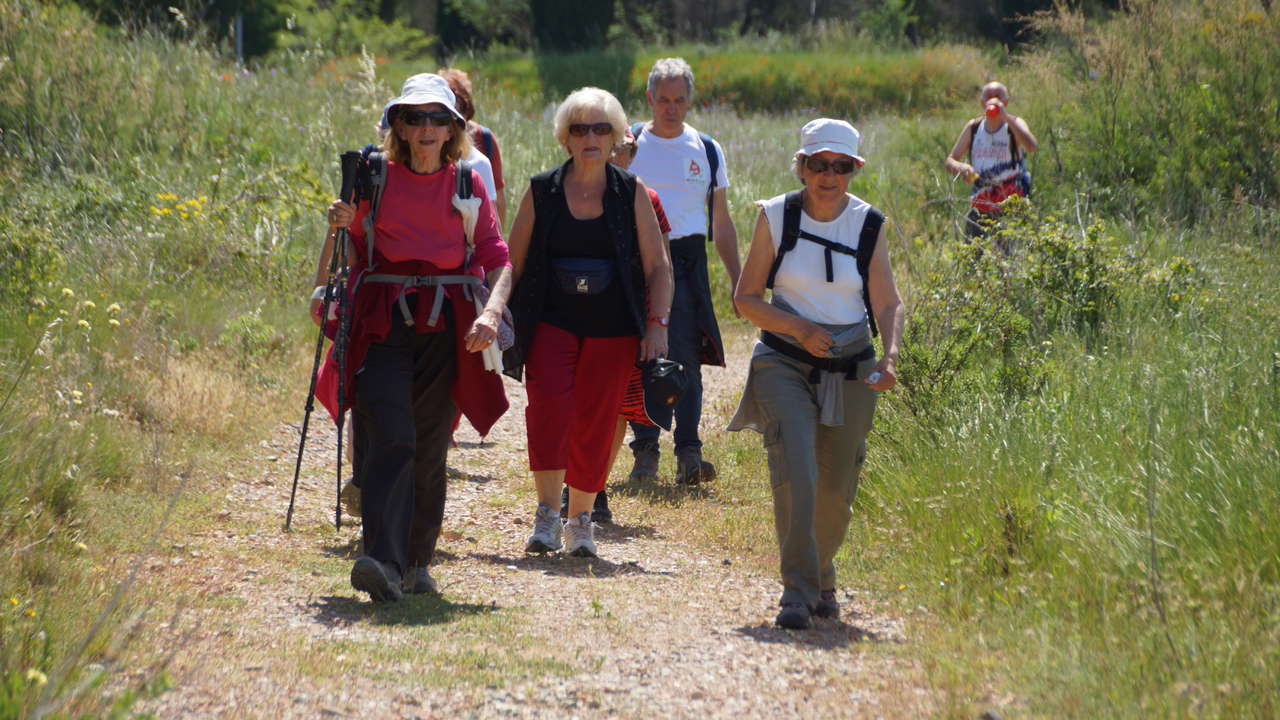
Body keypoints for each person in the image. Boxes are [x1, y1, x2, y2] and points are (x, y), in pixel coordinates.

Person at [313, 73, 512, 602]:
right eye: (415, 117)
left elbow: (498, 260)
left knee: (427, 448)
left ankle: (418, 562)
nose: (427, 127)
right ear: (398, 125)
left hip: (448, 328)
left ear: (454, 129)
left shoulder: (468, 183)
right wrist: (337, 230)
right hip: (382, 321)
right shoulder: (374, 178)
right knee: (391, 434)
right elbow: (351, 252)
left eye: (438, 118)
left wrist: (491, 314)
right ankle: (381, 558)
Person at [729, 119, 904, 630]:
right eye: (818, 164)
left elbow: (887, 301)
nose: (829, 175)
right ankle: (799, 593)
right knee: (797, 474)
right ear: (801, 166)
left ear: (855, 169)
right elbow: (745, 299)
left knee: (836, 490)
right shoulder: (776, 216)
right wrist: (799, 327)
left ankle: (823, 571)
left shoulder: (868, 224)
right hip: (783, 360)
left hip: (852, 365)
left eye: (841, 165)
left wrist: (889, 359)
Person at [504, 87, 672, 558]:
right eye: (580, 128)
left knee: (597, 422)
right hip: (551, 321)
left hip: (614, 327)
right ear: (566, 138)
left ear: (617, 135)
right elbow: (510, 263)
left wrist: (657, 326)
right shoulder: (542, 190)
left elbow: (659, 266)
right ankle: (545, 517)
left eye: (601, 128)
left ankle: (580, 523)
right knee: (549, 414)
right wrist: (495, 309)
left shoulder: (631, 192)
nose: (591, 137)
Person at [626, 57, 742, 487]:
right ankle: (645, 453)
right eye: (663, 99)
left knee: (687, 358)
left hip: (690, 261)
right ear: (649, 98)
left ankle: (689, 453)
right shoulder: (629, 143)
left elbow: (723, 222)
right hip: (639, 259)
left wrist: (738, 279)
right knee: (643, 357)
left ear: (691, 100)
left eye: (679, 100)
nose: (670, 108)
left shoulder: (708, 149)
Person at [558, 126, 673, 524]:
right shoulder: (567, 192)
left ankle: (595, 488)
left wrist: (657, 323)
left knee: (616, 408)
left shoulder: (647, 198)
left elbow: (663, 265)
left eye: (624, 149)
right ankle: (577, 485)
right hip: (574, 314)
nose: (615, 156)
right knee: (577, 402)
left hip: (628, 318)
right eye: (612, 148)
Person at [943, 81, 1039, 240]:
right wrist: (962, 167)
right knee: (974, 258)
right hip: (980, 205)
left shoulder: (1014, 124)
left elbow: (1031, 146)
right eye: (989, 97)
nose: (993, 100)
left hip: (1010, 206)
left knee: (1007, 260)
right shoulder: (974, 127)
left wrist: (1005, 117)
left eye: (998, 97)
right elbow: (950, 161)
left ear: (1006, 102)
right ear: (982, 102)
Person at [439, 69, 507, 227]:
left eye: (457, 110)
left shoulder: (484, 138)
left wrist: (496, 239)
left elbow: (498, 197)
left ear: (465, 109)